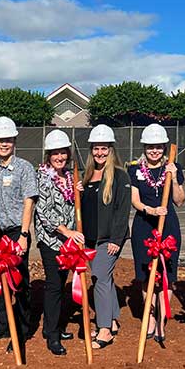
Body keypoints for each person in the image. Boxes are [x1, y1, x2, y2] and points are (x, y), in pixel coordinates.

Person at [0, 116, 38, 353]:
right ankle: (4, 324)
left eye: (8, 140)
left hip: (16, 233)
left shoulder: (24, 168)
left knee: (19, 281)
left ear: (14, 141)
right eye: (0, 140)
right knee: (1, 281)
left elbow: (28, 202)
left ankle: (21, 329)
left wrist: (24, 235)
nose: (4, 144)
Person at [128, 123, 185, 343]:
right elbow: (135, 200)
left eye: (158, 147)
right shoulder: (134, 170)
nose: (154, 151)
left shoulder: (173, 167)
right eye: (150, 146)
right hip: (144, 224)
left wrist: (175, 178)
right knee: (145, 275)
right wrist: (150, 210)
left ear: (164, 147)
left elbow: (179, 201)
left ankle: (161, 320)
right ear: (144, 147)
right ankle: (149, 317)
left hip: (168, 226)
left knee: (167, 275)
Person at [77, 125, 131, 350]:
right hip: (89, 239)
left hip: (109, 239)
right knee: (104, 279)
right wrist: (78, 192)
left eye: (104, 148)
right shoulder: (87, 175)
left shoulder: (119, 175)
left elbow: (122, 209)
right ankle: (113, 320)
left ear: (111, 149)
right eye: (96, 149)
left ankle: (104, 329)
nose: (100, 153)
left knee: (99, 278)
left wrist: (116, 240)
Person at [34, 129, 82, 356]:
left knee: (61, 282)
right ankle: (52, 336)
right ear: (48, 155)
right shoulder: (42, 177)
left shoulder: (70, 176)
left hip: (67, 241)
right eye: (55, 154)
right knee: (54, 285)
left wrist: (77, 190)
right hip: (51, 240)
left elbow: (71, 203)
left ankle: (52, 327)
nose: (59, 157)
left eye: (63, 153)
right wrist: (66, 231)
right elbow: (43, 211)